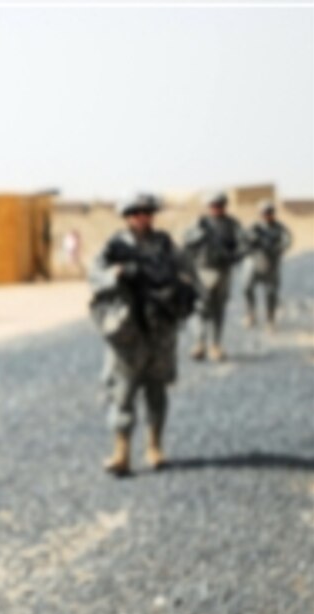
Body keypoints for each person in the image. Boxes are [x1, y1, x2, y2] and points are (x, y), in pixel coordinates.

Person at [89, 193, 197, 475]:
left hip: (160, 327)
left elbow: (188, 272)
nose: (142, 217)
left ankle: (155, 447)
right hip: (128, 330)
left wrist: (179, 288)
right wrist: (118, 274)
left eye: (146, 212)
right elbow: (95, 275)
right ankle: (121, 453)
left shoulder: (165, 244)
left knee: (157, 390)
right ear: (126, 215)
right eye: (136, 212)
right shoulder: (114, 246)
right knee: (122, 393)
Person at [180, 191, 247, 361]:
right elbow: (186, 243)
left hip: (223, 272)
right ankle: (199, 343)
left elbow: (244, 244)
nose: (216, 208)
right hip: (202, 271)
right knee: (200, 309)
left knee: (218, 309)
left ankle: (215, 345)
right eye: (213, 205)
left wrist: (234, 256)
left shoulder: (232, 224)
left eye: (220, 205)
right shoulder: (199, 223)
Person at [242, 199, 292, 330]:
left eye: (269, 212)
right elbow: (244, 240)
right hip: (255, 263)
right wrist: (252, 240)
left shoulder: (279, 228)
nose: (266, 215)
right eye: (264, 212)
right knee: (246, 288)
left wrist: (277, 248)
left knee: (271, 294)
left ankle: (270, 319)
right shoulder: (255, 227)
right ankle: (251, 314)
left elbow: (287, 240)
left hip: (271, 265)